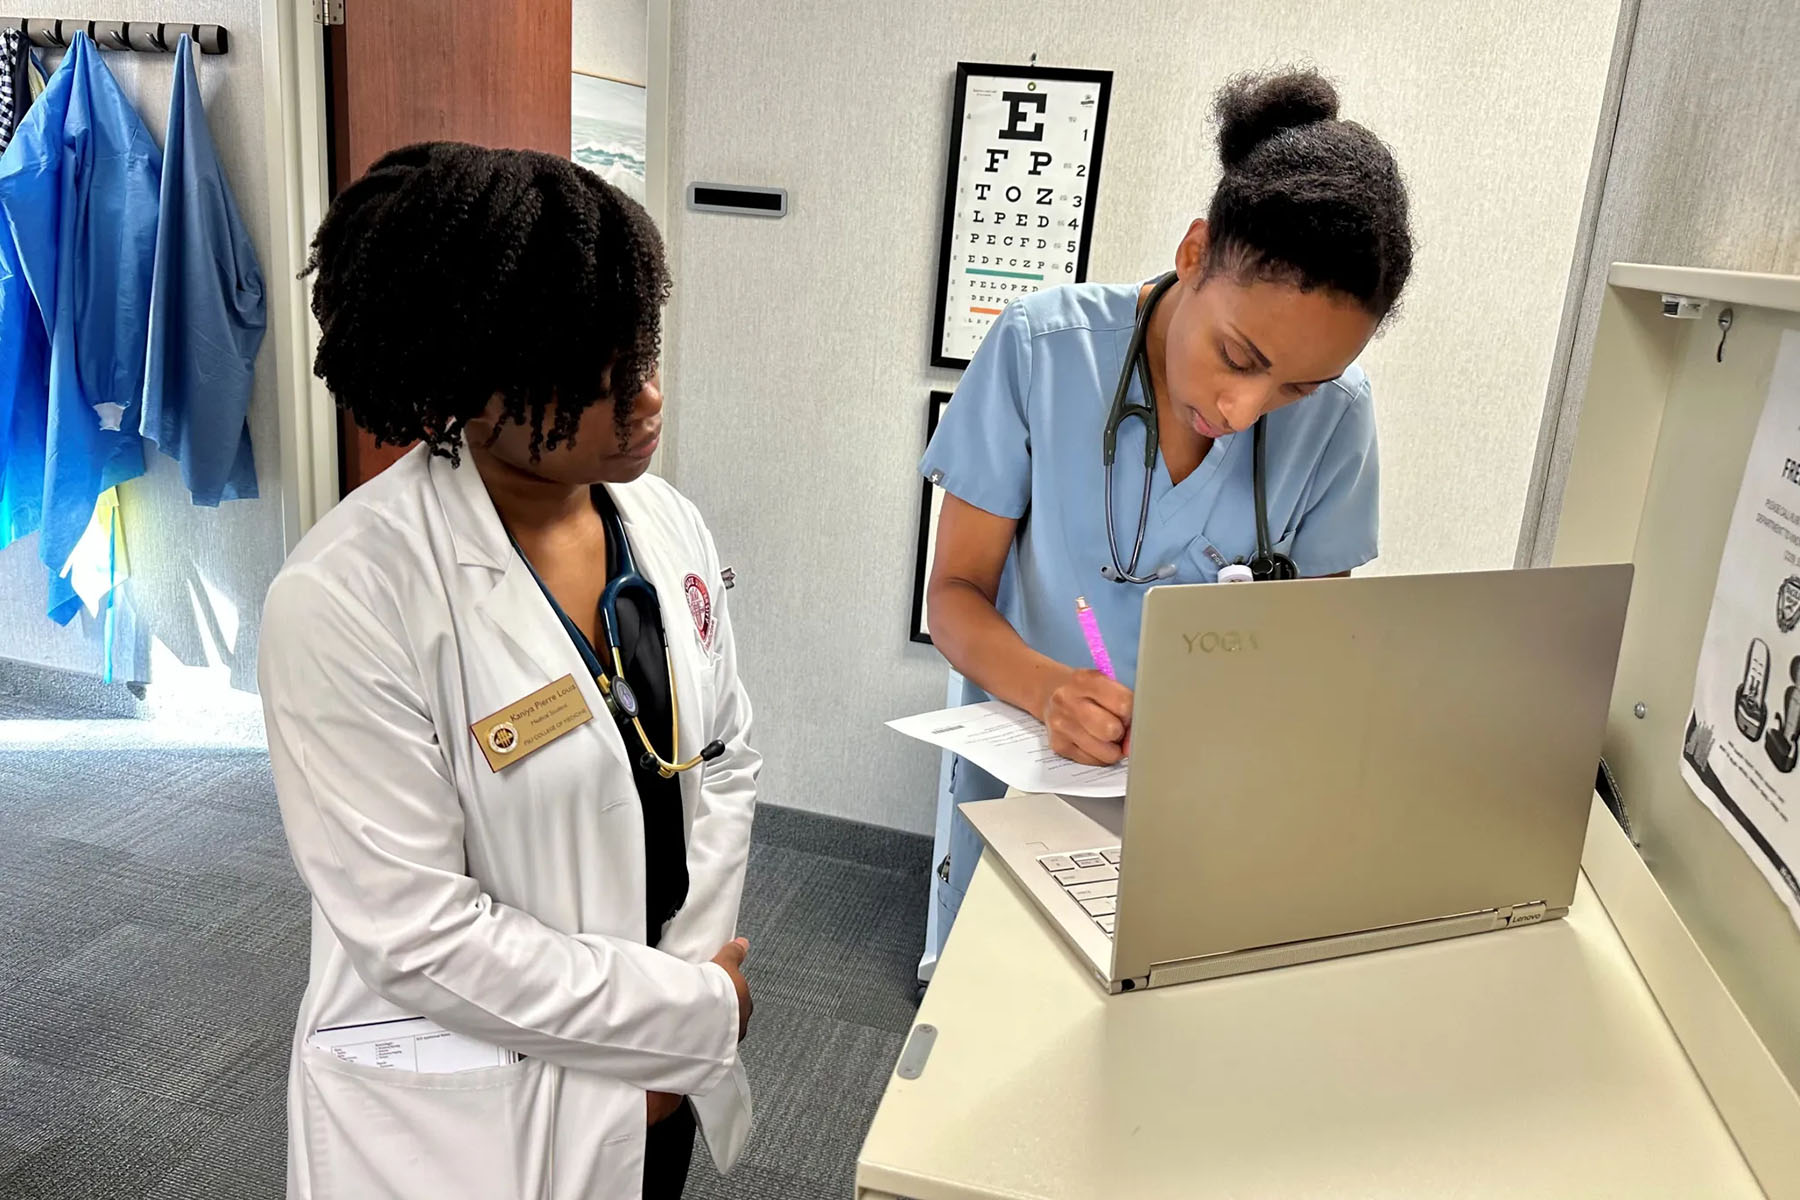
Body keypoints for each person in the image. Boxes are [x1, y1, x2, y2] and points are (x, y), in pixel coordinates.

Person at [259, 143, 759, 1200]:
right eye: (596, 375)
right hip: (471, 1120)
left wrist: (684, 1001)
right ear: (468, 375)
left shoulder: (664, 524)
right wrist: (677, 1017)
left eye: (645, 349)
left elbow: (724, 758)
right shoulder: (348, 597)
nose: (647, 397)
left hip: (664, 1051)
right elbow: (417, 933)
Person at [920, 69, 1414, 955]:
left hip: (1211, 803)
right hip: (1034, 773)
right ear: (1194, 253)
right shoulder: (1042, 350)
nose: (1243, 410)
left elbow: (1314, 645)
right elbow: (954, 594)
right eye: (1238, 355)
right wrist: (1051, 690)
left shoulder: (1341, 421)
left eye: (1298, 385)